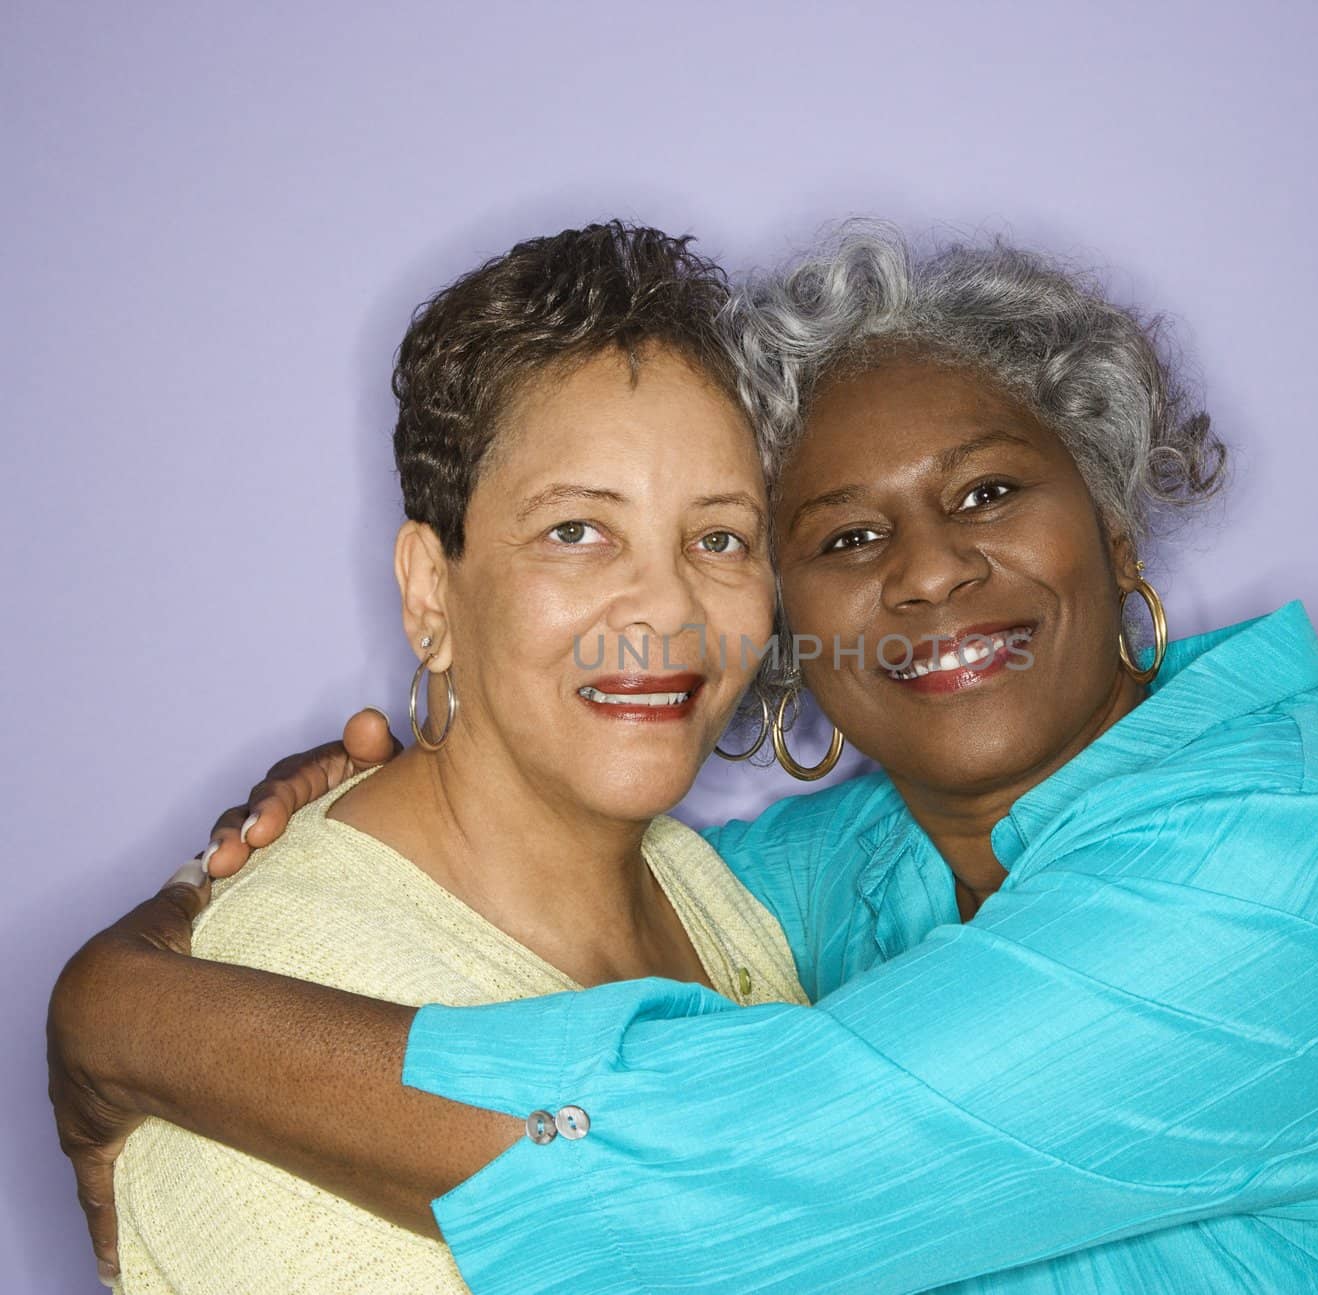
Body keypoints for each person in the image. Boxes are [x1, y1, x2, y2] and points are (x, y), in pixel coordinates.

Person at [50, 223, 1318, 1293]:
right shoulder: (889, 858)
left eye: (991, 490)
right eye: (842, 536)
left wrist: (121, 1007)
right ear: (790, 622)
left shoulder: (1300, 881)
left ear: (1116, 529)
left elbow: (688, 1168)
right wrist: (346, 792)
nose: (933, 571)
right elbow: (568, 861)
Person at [90, 222, 811, 1294]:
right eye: (576, 529)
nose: (666, 606)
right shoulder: (261, 1012)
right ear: (433, 590)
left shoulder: (707, 890)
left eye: (719, 538)